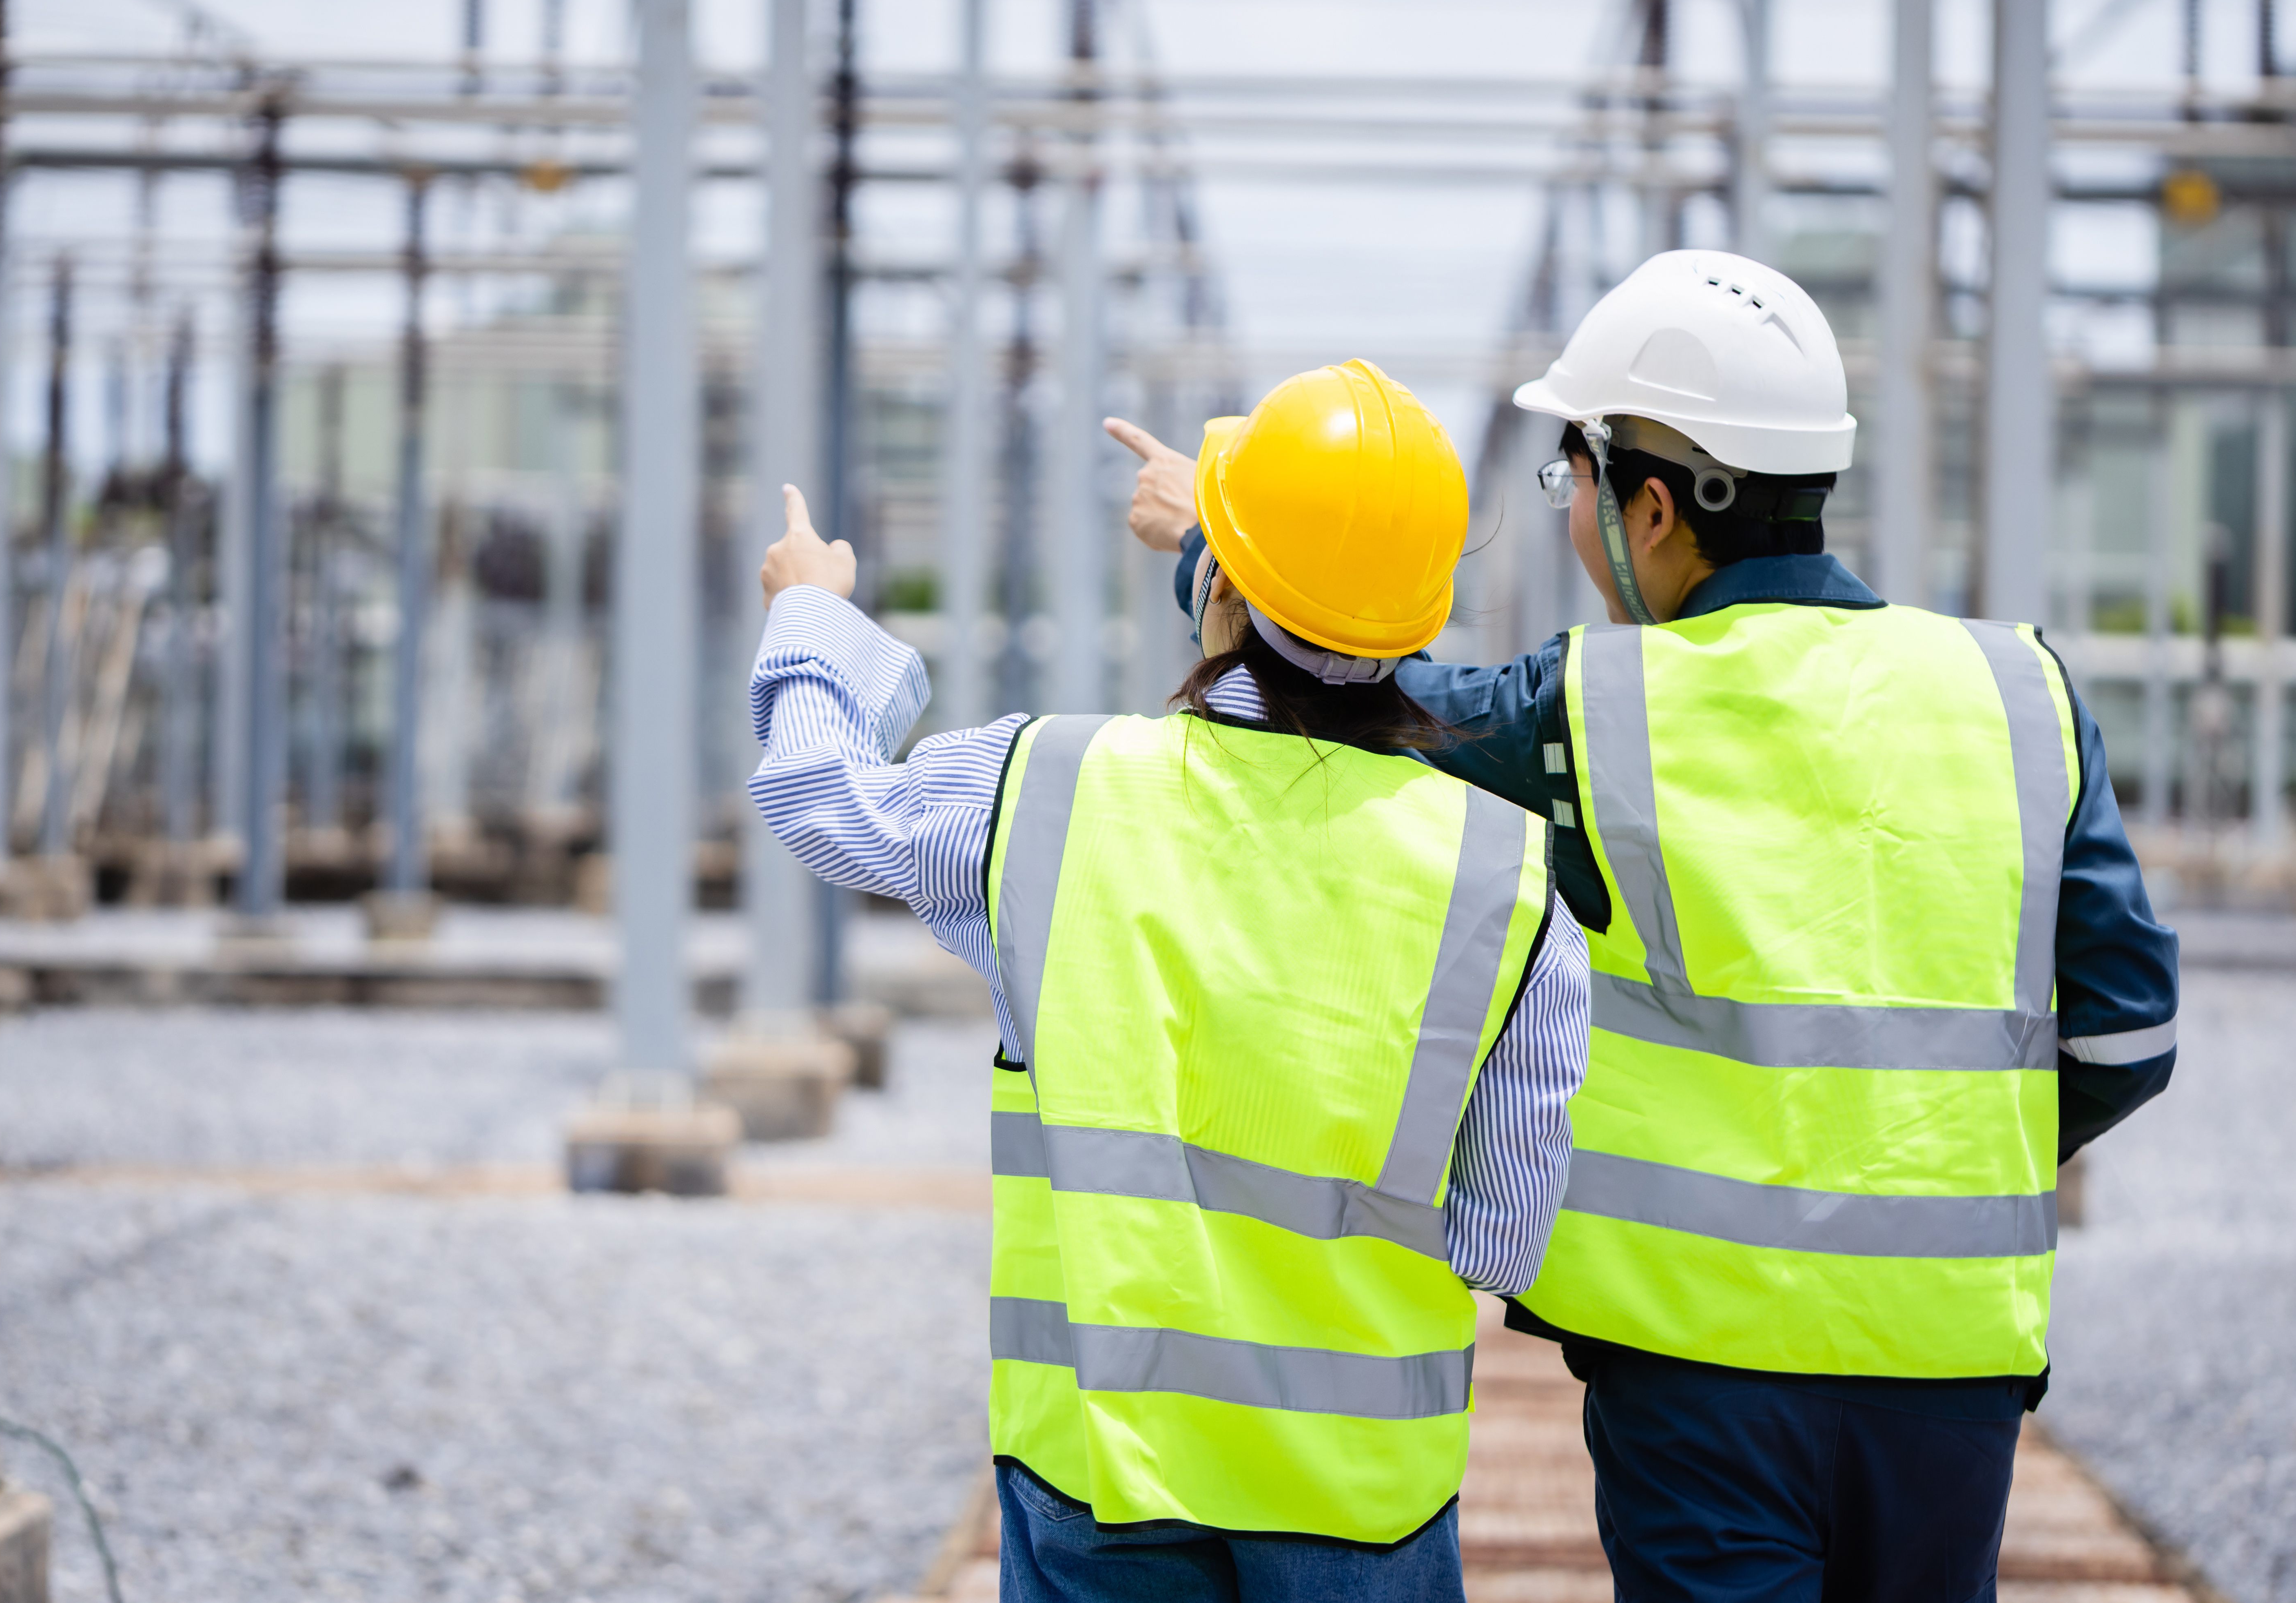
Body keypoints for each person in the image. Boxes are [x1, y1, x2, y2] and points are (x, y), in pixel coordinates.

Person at [1113, 250, 2181, 1602]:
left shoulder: (1594, 708)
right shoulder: (2017, 689)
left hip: (1700, 1372)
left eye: (1575, 484)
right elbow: (2131, 1031)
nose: (1574, 519)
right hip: (1952, 1366)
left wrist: (1219, 539)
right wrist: (1954, 1158)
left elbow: (1364, 688)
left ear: (1657, 506)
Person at [749, 358, 1591, 1602]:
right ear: (1422, 622)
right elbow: (1500, 1236)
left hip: (1103, 1458)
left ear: (1223, 588)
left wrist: (813, 616)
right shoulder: (1506, 876)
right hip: (1361, 1497)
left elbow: (825, 802)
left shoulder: (1048, 789)